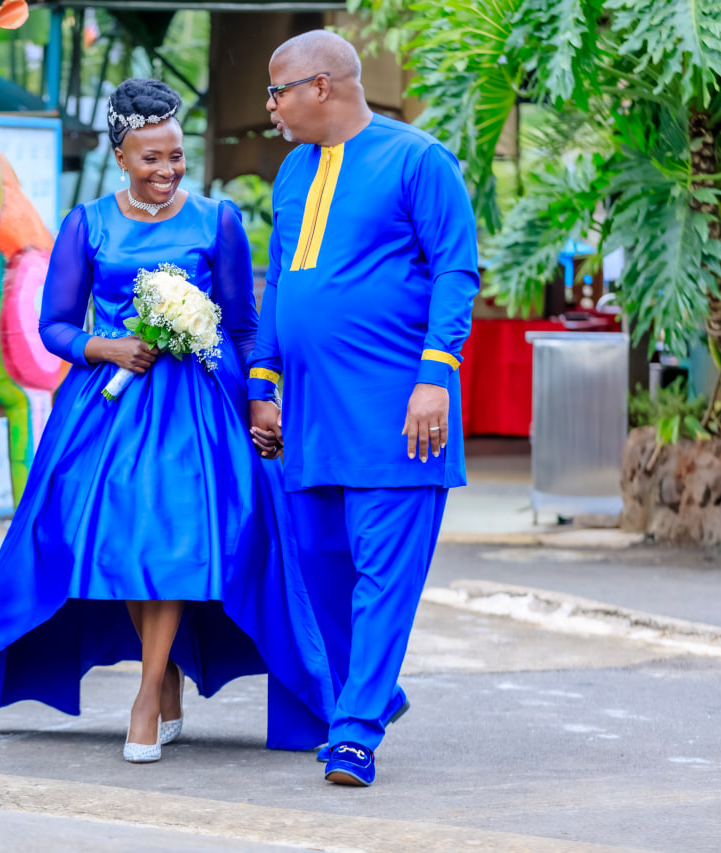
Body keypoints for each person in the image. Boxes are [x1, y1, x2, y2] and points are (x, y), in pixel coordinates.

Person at [0, 78, 333, 763]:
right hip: (110, 412)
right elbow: (53, 325)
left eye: (175, 155)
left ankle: (147, 694)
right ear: (121, 155)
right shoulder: (88, 224)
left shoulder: (218, 220)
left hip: (199, 414)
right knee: (123, 547)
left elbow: (242, 327)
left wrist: (260, 399)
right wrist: (105, 345)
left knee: (176, 547)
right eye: (151, 158)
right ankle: (166, 671)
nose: (167, 170)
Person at [248, 31, 480, 787]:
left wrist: (434, 374)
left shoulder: (419, 161)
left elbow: (457, 270)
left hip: (397, 412)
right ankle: (374, 689)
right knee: (319, 566)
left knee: (383, 572)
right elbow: (280, 280)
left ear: (321, 87)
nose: (270, 106)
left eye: (278, 91)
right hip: (312, 413)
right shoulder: (291, 172)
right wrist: (264, 380)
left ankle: (353, 733)